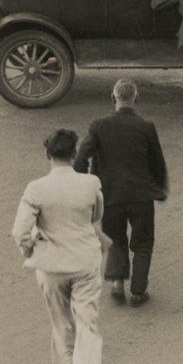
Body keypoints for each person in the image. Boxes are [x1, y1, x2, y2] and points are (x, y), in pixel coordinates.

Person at [11, 129, 106, 364]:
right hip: (85, 261)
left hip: (51, 266)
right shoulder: (90, 183)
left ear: (47, 155)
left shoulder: (36, 188)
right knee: (86, 318)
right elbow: (95, 216)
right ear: (74, 154)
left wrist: (30, 250)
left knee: (60, 318)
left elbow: (19, 231)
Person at [74, 78, 168, 307]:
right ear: (136, 98)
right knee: (143, 243)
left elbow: (80, 158)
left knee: (115, 239)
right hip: (141, 196)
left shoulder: (99, 125)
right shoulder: (146, 126)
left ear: (113, 97)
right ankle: (138, 291)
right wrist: (159, 189)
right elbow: (157, 162)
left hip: (110, 196)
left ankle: (117, 282)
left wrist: (85, 184)